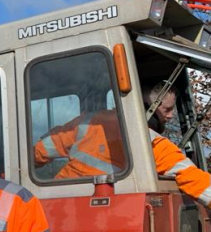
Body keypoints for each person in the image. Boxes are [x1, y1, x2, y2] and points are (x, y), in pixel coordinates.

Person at [34, 81, 211, 205]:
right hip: (108, 207)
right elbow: (194, 179)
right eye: (167, 109)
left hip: (56, 201)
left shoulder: (86, 122)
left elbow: (38, 152)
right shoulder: (151, 142)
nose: (171, 115)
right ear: (144, 107)